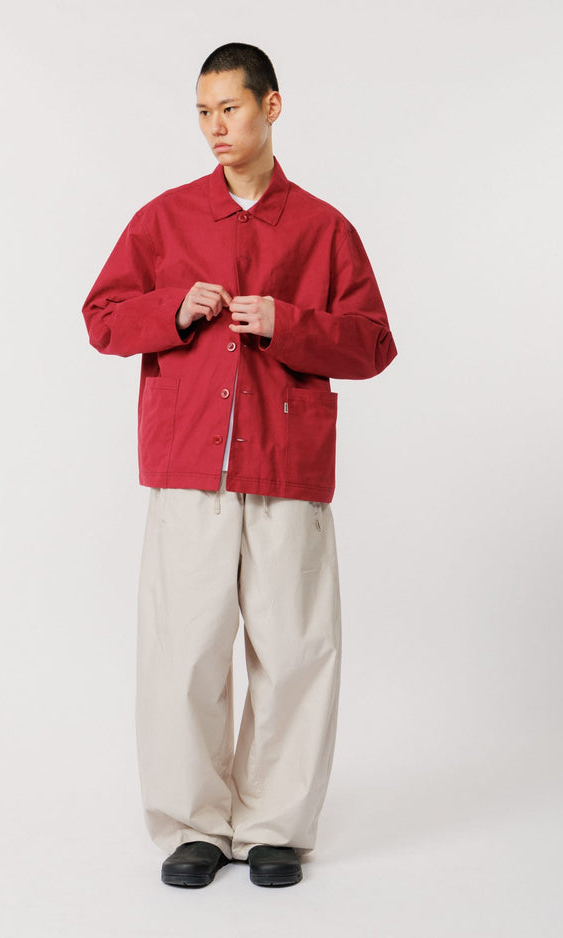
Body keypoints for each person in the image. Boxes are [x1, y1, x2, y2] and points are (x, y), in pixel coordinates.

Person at [81, 42, 396, 888]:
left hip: (288, 466)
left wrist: (290, 324)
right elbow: (102, 317)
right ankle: (193, 827)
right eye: (203, 112)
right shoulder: (166, 219)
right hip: (190, 468)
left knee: (294, 652)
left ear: (271, 107)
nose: (215, 127)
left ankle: (274, 829)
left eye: (230, 108)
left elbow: (373, 343)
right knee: (183, 651)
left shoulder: (324, 228)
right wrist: (171, 308)